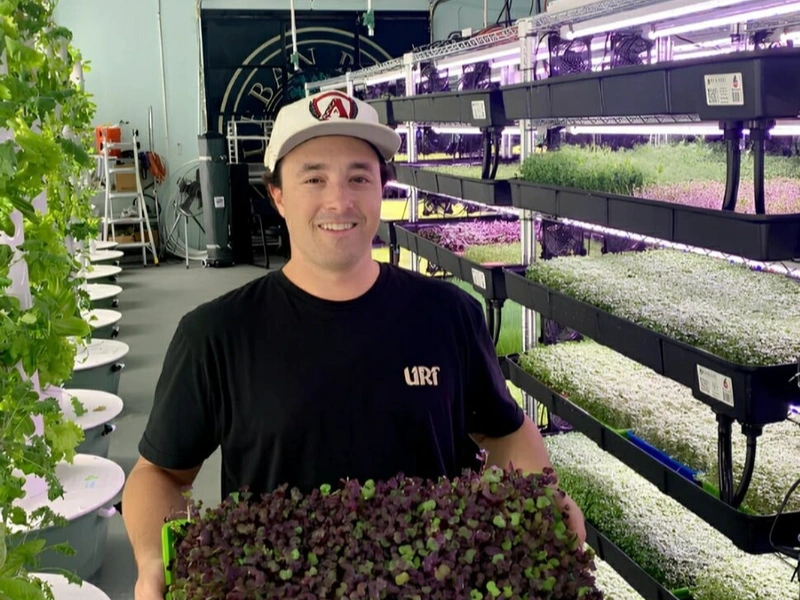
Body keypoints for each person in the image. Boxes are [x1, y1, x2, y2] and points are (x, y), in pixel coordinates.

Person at [123, 90, 586, 600]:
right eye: (314, 178)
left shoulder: (448, 314)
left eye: (359, 178)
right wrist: (152, 563)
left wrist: (545, 498)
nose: (339, 201)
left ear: (380, 190)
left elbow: (506, 434)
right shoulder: (215, 334)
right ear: (276, 194)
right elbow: (159, 474)